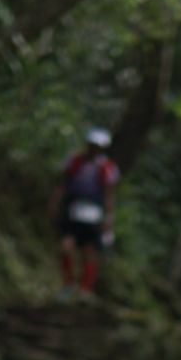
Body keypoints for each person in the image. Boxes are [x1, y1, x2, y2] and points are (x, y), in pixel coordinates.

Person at [52, 126, 118, 298]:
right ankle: (68, 285)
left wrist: (108, 218)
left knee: (89, 252)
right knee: (66, 247)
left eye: (98, 147)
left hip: (94, 213)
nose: (94, 149)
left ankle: (85, 290)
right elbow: (63, 184)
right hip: (73, 209)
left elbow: (108, 195)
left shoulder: (107, 168)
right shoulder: (74, 161)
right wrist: (55, 204)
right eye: (92, 145)